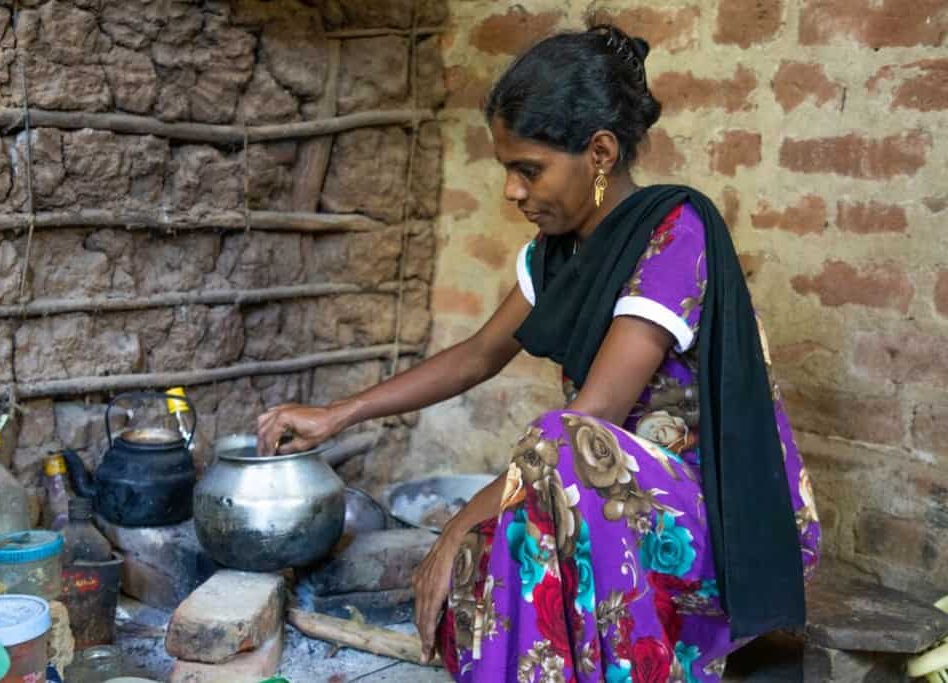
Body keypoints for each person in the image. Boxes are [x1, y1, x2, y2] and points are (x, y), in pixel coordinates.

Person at [257, 24, 820, 682]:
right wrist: (337, 415)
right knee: (477, 566)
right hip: (606, 507)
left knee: (553, 447)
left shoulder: (675, 233)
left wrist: (458, 521)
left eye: (529, 169)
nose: (512, 191)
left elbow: (596, 414)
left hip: (720, 525)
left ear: (601, 153)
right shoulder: (556, 255)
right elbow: (476, 354)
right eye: (507, 170)